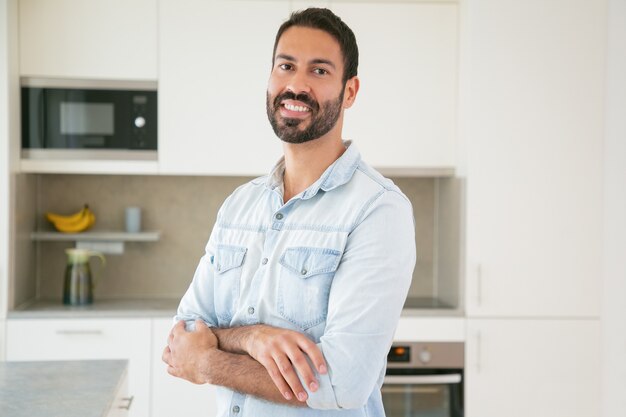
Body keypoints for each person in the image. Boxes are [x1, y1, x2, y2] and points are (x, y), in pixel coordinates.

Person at [162, 7, 416, 416]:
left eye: (319, 71)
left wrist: (209, 361)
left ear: (349, 91)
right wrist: (252, 338)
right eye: (286, 66)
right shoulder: (240, 206)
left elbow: (342, 384)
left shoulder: (378, 210)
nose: (296, 84)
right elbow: (184, 334)